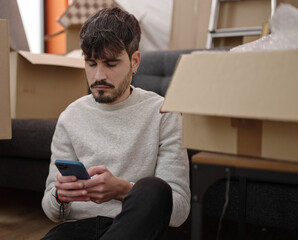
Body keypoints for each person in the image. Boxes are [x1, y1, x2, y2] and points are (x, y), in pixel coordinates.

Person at [41, 7, 190, 240]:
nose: (99, 76)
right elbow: (51, 210)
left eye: (110, 64)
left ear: (134, 61)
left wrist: (123, 190)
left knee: (154, 189)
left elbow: (179, 210)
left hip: (136, 227)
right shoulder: (71, 116)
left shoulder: (164, 113)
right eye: (91, 63)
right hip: (80, 229)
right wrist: (60, 196)